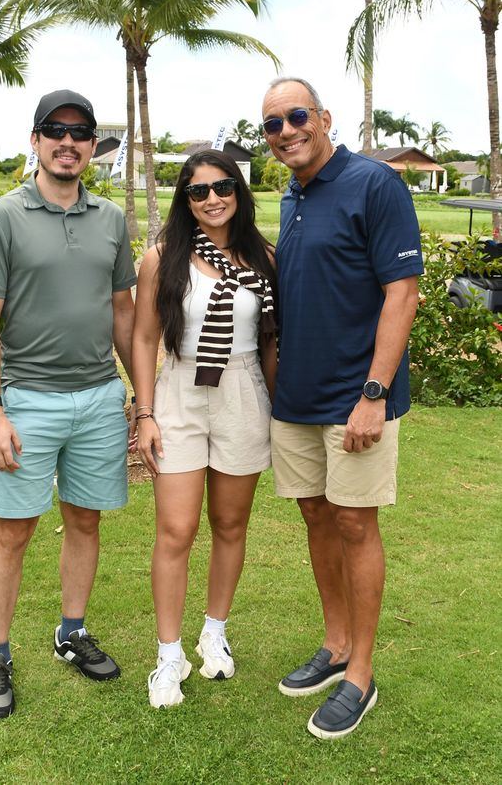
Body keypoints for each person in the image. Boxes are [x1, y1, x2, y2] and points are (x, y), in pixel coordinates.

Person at [0, 90, 137, 718]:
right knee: (13, 531)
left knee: (86, 521)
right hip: (27, 401)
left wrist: (140, 399)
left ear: (94, 146)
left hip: (97, 398)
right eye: (55, 131)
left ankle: (71, 631)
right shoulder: (1, 217)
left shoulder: (111, 220)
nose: (68, 142)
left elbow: (123, 315)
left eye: (81, 132)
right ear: (35, 140)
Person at [262, 77, 423, 739]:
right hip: (296, 397)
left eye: (297, 115)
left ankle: (360, 672)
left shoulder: (375, 184)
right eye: (273, 124)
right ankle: (333, 645)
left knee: (355, 526)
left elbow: (403, 293)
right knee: (316, 515)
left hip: (355, 400)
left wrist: (374, 395)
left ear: (324, 117)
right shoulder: (293, 195)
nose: (287, 130)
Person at [132, 150, 277, 708]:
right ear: (185, 201)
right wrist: (144, 413)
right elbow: (144, 339)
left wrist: (280, 409)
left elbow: (269, 341)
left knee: (230, 522)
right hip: (179, 391)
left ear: (238, 192)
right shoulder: (163, 257)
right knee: (175, 529)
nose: (212, 198)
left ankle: (214, 632)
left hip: (242, 391)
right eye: (198, 191)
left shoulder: (263, 257)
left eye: (222, 187)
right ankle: (169, 655)